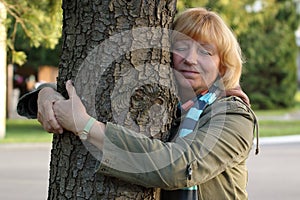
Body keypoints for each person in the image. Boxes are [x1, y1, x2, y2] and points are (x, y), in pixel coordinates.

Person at [17, 7, 258, 200]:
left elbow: (179, 167)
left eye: (206, 52)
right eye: (181, 47)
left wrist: (86, 126)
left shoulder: (235, 116)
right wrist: (45, 93)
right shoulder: (165, 104)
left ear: (223, 66)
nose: (190, 59)